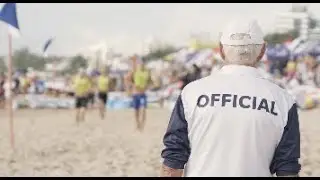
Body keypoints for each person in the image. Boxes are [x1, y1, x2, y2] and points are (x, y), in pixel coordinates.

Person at [160, 18, 301, 177]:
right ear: (262, 51)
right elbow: (287, 168)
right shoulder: (283, 101)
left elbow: (173, 160)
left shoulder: (191, 94)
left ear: (221, 50)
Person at [130, 62, 151, 131]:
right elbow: (130, 80)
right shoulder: (135, 71)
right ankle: (137, 124)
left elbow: (150, 81)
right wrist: (132, 87)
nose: (141, 65)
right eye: (140, 64)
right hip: (136, 94)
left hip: (143, 94)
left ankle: (142, 125)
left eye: (143, 64)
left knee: (143, 109)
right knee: (136, 110)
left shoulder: (147, 73)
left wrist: (147, 87)